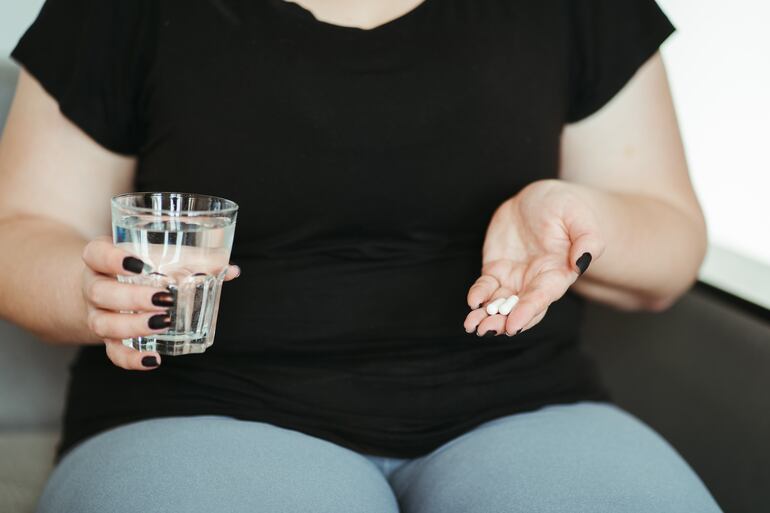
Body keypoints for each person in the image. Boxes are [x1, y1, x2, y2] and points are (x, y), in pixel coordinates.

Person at [0, 0, 723, 511]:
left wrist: (584, 216)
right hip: (197, 407)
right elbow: (21, 228)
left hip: (522, 405)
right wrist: (91, 291)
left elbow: (669, 249)